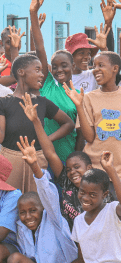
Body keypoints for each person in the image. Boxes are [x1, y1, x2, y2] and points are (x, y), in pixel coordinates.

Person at [0, 49, 75, 193]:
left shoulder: (42, 103)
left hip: (38, 161)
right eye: (37, 70)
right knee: (11, 205)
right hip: (10, 163)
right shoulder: (3, 103)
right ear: (21, 72)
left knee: (36, 207)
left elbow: (69, 124)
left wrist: (47, 139)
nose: (42, 75)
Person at [20, 151, 121, 263]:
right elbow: (81, 261)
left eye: (92, 195)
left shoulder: (111, 210)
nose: (85, 198)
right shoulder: (79, 221)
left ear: (105, 195)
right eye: (82, 192)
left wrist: (110, 169)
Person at [20, 92, 114, 230]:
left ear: (89, 168)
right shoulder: (66, 182)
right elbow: (50, 153)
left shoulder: (100, 190)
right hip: (70, 241)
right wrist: (36, 121)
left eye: (77, 167)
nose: (72, 172)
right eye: (69, 169)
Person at [7, 136, 83, 263]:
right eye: (23, 213)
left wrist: (34, 166)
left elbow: (47, 193)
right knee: (14, 259)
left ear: (43, 208)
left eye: (33, 210)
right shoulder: (22, 229)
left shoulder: (54, 219)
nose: (28, 217)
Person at [29, 0, 84, 161]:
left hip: (66, 154)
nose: (59, 70)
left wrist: (76, 157)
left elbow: (81, 132)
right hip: (40, 153)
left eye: (64, 65)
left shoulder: (79, 95)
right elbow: (40, 49)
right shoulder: (46, 84)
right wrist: (33, 14)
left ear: (73, 66)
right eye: (55, 66)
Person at [64, 51, 121, 178]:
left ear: (115, 69)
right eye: (94, 66)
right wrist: (79, 105)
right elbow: (89, 138)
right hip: (96, 170)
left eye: (101, 65)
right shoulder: (88, 98)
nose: (96, 70)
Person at [66, 0, 115, 94]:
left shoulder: (92, 75)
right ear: (70, 56)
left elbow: (111, 67)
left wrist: (108, 23)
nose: (87, 57)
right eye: (81, 53)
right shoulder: (60, 78)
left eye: (88, 53)